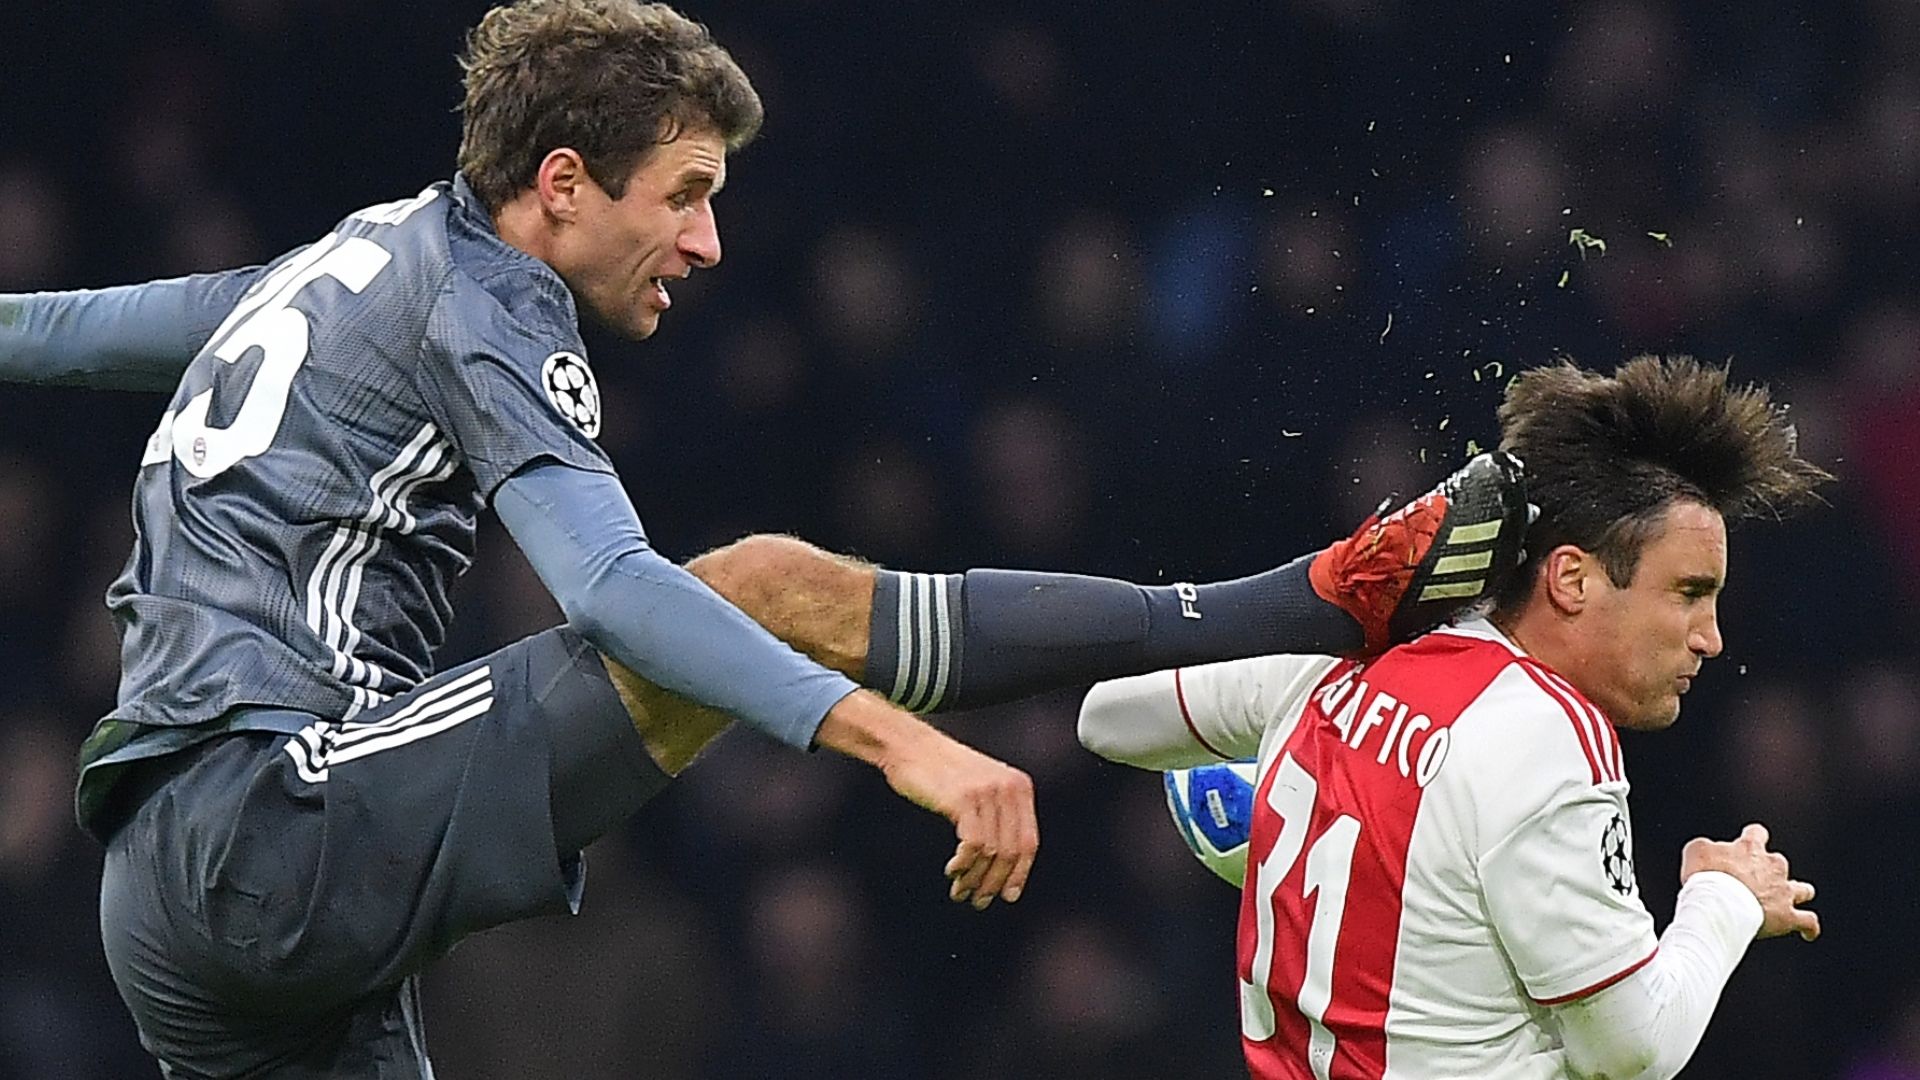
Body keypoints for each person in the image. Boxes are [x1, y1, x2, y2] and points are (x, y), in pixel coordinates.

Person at [0, 2, 1525, 1076]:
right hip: (271, 815)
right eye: (686, 196)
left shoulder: (335, 267)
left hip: (171, 899)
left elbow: (56, 332)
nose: (710, 244)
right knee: (767, 585)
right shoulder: (487, 306)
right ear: (561, 187)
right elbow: (613, 585)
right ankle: (1303, 602)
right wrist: (906, 749)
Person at [1078, 355, 1831, 1080]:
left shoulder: (1355, 651)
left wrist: (1274, 809)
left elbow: (1108, 718)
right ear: (1571, 578)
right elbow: (1633, 1049)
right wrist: (1724, 897)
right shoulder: (1549, 736)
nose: (1711, 635)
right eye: (1689, 592)